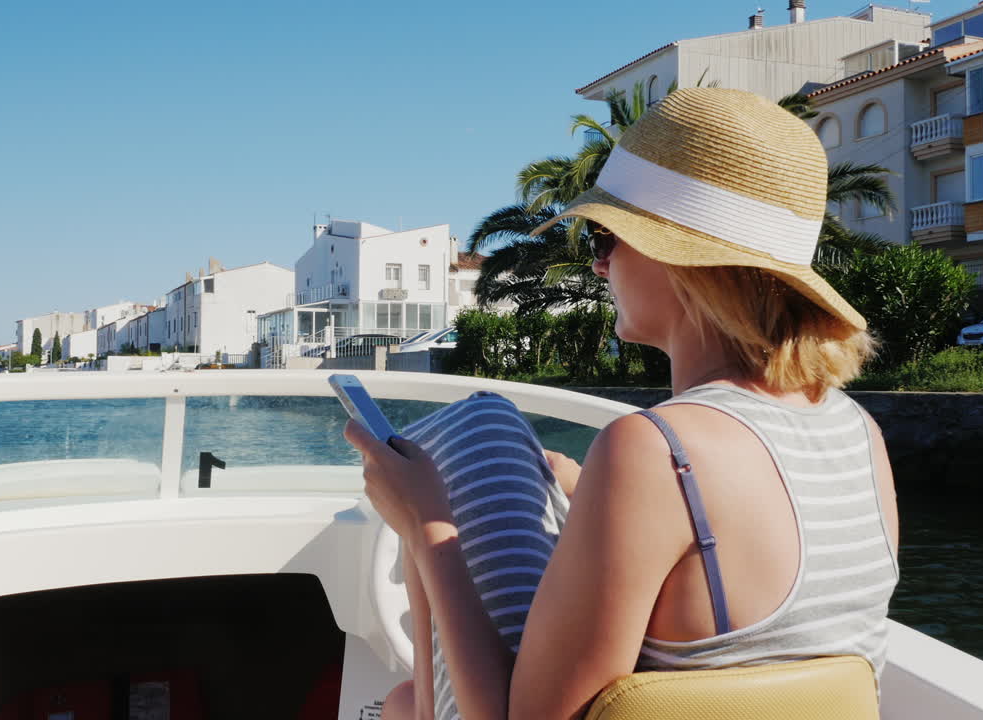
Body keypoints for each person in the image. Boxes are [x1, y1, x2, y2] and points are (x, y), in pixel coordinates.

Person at [344, 88, 898, 720]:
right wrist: (587, 494)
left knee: (478, 429)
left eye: (605, 237)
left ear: (681, 260)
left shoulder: (658, 453)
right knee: (403, 702)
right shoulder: (861, 435)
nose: (601, 265)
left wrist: (426, 525)